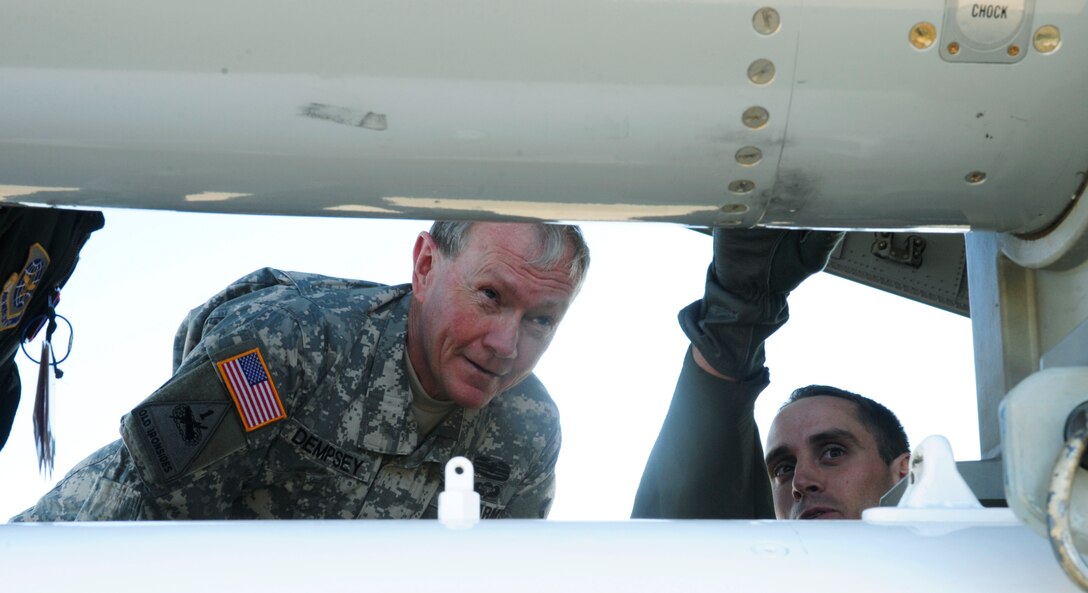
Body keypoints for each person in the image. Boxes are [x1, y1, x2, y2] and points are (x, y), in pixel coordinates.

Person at [12, 221, 589, 521]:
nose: (507, 345)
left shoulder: (526, 431)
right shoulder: (285, 349)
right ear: (425, 265)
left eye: (541, 321)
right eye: (490, 295)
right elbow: (147, 515)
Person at [631, 228, 909, 520]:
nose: (801, 482)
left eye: (833, 452)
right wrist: (736, 315)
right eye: (784, 469)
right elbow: (689, 516)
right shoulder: (743, 564)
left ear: (906, 474)